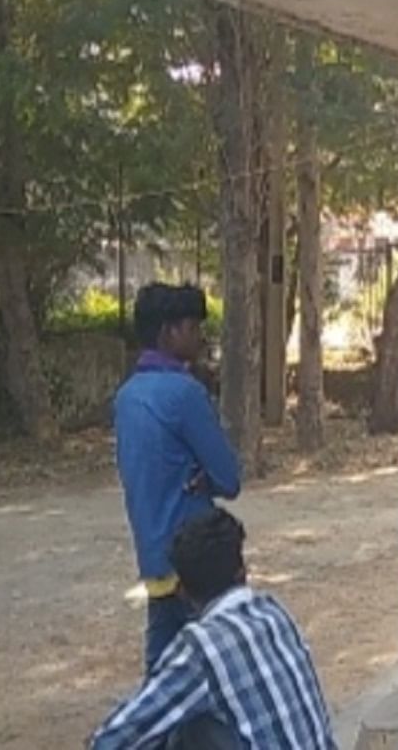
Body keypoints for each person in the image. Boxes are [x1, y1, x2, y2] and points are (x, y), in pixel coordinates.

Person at [90, 509, 334, 750]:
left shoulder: (200, 648)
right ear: (243, 572)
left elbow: (111, 741)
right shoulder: (274, 612)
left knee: (183, 724)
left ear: (182, 591)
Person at [114, 283, 241, 672]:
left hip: (154, 556)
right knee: (226, 667)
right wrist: (204, 477)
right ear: (168, 332)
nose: (199, 336)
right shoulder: (185, 394)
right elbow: (229, 479)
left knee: (163, 674)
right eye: (191, 327)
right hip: (199, 557)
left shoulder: (126, 397)